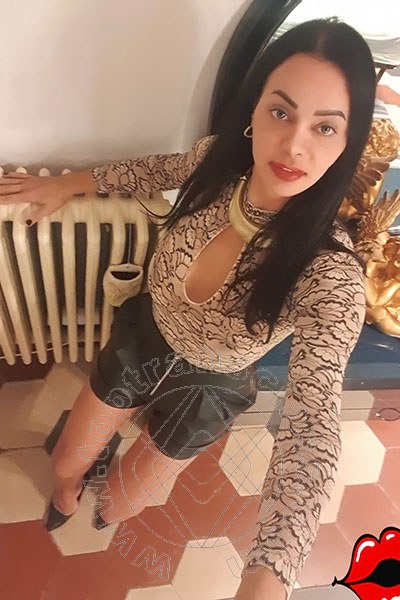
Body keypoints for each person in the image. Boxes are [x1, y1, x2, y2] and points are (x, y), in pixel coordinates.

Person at [0, 17, 376, 600]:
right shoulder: (216, 165)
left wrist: (269, 577)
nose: (295, 144)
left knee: (125, 499)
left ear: (347, 143)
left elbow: (311, 429)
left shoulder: (330, 271)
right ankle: (70, 493)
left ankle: (102, 510)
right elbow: (150, 170)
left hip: (212, 388)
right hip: (144, 340)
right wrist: (69, 182)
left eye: (325, 127)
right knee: (71, 458)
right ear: (254, 111)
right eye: (281, 112)